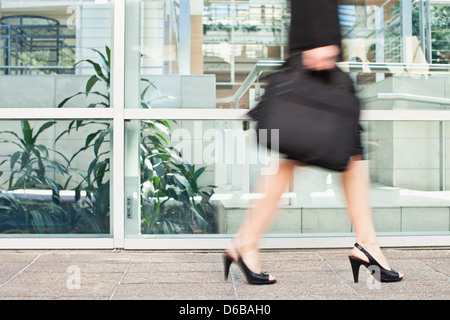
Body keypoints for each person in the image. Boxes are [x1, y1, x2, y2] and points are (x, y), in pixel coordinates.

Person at [223, 0, 404, 285]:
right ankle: (247, 241)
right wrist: (320, 39)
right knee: (324, 149)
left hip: (314, 47)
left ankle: (247, 242)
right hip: (316, 50)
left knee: (341, 152)